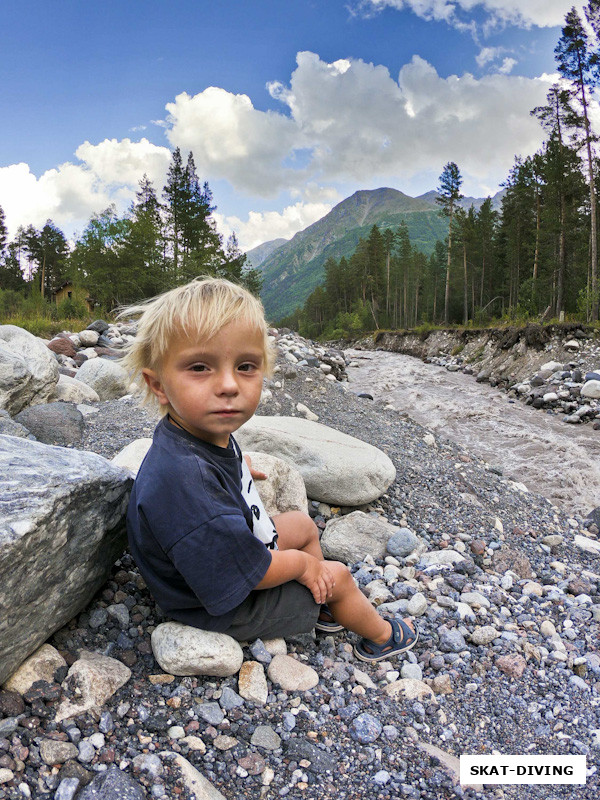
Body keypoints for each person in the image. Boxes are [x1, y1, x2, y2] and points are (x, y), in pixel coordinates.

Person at [123, 277, 418, 662]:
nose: (228, 385)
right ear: (158, 385)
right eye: (199, 367)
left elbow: (208, 478)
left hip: (218, 561)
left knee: (302, 524)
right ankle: (381, 636)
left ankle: (324, 607)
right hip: (212, 603)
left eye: (245, 366)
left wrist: (235, 470)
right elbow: (239, 569)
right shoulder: (188, 482)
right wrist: (302, 566)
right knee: (339, 578)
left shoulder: (198, 435)